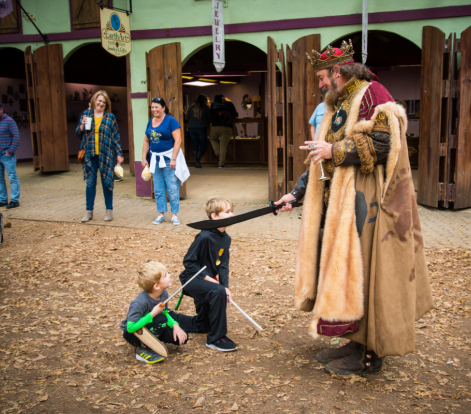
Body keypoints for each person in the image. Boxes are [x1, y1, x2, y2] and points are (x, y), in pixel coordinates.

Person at [274, 40, 434, 376]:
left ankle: (370, 354)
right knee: (345, 272)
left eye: (321, 77)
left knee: (368, 273)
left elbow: (386, 140)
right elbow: (323, 156)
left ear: (337, 72)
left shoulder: (373, 93)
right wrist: (298, 193)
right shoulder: (338, 102)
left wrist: (336, 151)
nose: (319, 85)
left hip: (368, 203)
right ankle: (356, 339)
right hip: (339, 204)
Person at [179, 196, 237, 352]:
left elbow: (223, 266)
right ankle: (215, 338)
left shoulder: (226, 239)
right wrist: (207, 278)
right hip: (192, 279)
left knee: (203, 324)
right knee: (217, 291)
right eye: (227, 212)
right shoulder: (204, 236)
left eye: (232, 211)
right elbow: (189, 262)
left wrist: (226, 287)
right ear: (215, 216)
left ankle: (170, 317)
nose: (232, 215)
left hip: (208, 283)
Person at [121, 261, 200, 364]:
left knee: (182, 337)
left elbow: (165, 312)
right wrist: (153, 313)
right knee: (160, 318)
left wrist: (175, 325)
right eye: (166, 275)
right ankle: (143, 349)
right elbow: (130, 328)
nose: (169, 275)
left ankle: (156, 338)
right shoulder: (139, 303)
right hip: (135, 335)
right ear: (156, 286)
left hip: (154, 325)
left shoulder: (163, 293)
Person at [77, 90, 123, 223]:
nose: (101, 103)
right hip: (90, 154)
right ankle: (88, 212)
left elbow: (116, 136)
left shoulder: (110, 117)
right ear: (94, 101)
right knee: (90, 183)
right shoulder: (86, 114)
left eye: (104, 102)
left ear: (106, 104)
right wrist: (81, 125)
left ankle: (109, 211)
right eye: (99, 101)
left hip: (106, 154)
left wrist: (119, 153)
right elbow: (78, 133)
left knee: (107, 183)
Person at [142, 97, 189, 226]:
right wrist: (143, 158)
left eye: (157, 107)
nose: (154, 109)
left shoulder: (171, 121)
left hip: (169, 159)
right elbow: (146, 141)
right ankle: (161, 214)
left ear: (163, 108)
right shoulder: (150, 122)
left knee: (172, 187)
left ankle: (174, 215)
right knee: (158, 188)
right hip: (155, 159)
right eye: (152, 107)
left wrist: (173, 158)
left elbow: (178, 140)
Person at [0, 101, 20, 209]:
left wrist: (9, 151)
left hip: (7, 155)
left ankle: (14, 200)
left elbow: (16, 137)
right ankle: (2, 199)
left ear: (2, 110)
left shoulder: (9, 121)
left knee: (12, 177)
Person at [209, 95, 238, 169]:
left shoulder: (213, 105)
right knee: (223, 146)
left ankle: (218, 153)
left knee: (212, 139)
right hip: (226, 127)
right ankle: (221, 164)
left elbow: (210, 115)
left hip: (215, 126)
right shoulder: (229, 104)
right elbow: (235, 115)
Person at [186, 94, 211, 168]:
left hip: (192, 129)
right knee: (204, 146)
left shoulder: (191, 108)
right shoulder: (205, 107)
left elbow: (186, 118)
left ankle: (196, 160)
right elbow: (210, 116)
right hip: (201, 128)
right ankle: (197, 159)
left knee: (195, 145)